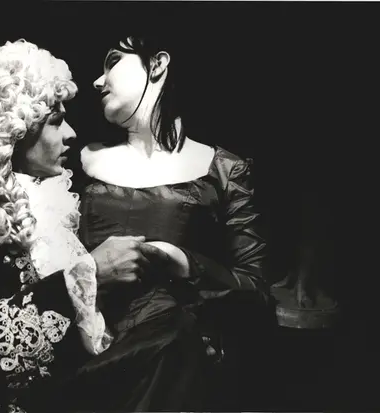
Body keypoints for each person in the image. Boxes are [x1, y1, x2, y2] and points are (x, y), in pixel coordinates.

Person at [0, 39, 178, 413]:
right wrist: (90, 272)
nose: (71, 133)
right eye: (55, 121)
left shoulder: (65, 206)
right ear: (15, 133)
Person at [77, 32, 272, 409]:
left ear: (157, 64)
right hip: (84, 362)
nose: (98, 81)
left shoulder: (225, 170)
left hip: (171, 375)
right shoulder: (77, 162)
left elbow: (257, 293)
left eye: (113, 61)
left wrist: (181, 261)